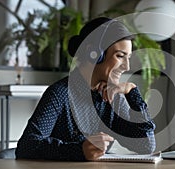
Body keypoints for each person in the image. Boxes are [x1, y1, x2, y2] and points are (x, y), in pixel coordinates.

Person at [15, 17, 156, 161]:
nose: (127, 67)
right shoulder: (60, 93)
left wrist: (132, 92)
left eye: (128, 58)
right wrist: (79, 150)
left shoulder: (113, 97)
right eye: (120, 56)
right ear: (94, 54)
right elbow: (27, 146)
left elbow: (146, 146)